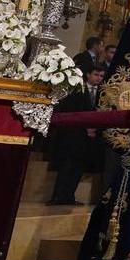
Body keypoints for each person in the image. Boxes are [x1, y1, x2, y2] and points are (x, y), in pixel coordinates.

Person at [48, 65, 106, 205]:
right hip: (74, 135)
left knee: (78, 168)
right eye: (96, 74)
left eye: (101, 76)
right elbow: (73, 112)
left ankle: (69, 196)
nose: (98, 78)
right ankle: (58, 196)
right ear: (88, 75)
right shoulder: (77, 90)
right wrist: (84, 128)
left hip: (90, 137)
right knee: (67, 166)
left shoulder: (102, 93)